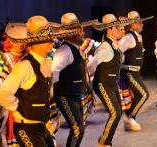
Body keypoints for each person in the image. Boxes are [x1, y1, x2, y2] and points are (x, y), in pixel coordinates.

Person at [0, 15, 76, 146]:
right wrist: (19, 108)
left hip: (42, 126)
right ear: (34, 42)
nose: (51, 41)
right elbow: (2, 93)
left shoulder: (45, 63)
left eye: (51, 37)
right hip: (27, 128)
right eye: (46, 39)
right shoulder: (25, 66)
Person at [52, 12, 97, 147]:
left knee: (78, 129)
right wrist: (53, 90)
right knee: (78, 130)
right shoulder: (65, 50)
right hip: (64, 95)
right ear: (71, 34)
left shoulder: (76, 49)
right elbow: (53, 70)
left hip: (74, 94)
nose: (83, 32)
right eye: (79, 30)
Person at [88, 14, 133, 147]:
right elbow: (91, 66)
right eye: (118, 28)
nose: (120, 30)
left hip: (112, 83)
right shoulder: (105, 47)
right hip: (103, 84)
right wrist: (89, 79)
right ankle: (105, 142)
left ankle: (105, 139)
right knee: (116, 112)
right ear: (110, 29)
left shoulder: (115, 45)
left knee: (118, 112)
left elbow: (120, 60)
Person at [118, 11, 153, 131]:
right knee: (143, 94)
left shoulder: (139, 36)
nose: (142, 23)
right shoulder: (128, 38)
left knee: (137, 95)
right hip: (129, 72)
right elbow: (117, 52)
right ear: (132, 25)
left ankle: (129, 118)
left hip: (136, 72)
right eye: (139, 22)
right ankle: (130, 118)